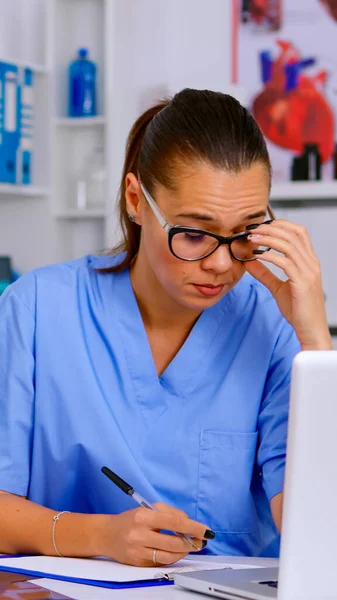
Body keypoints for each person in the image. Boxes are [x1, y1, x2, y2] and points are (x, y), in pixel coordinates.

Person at [0, 89, 331, 567]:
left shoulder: (271, 326)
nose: (221, 264)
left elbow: (315, 526)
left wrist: (316, 341)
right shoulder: (35, 309)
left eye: (244, 235)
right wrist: (100, 535)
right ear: (136, 200)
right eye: (194, 233)